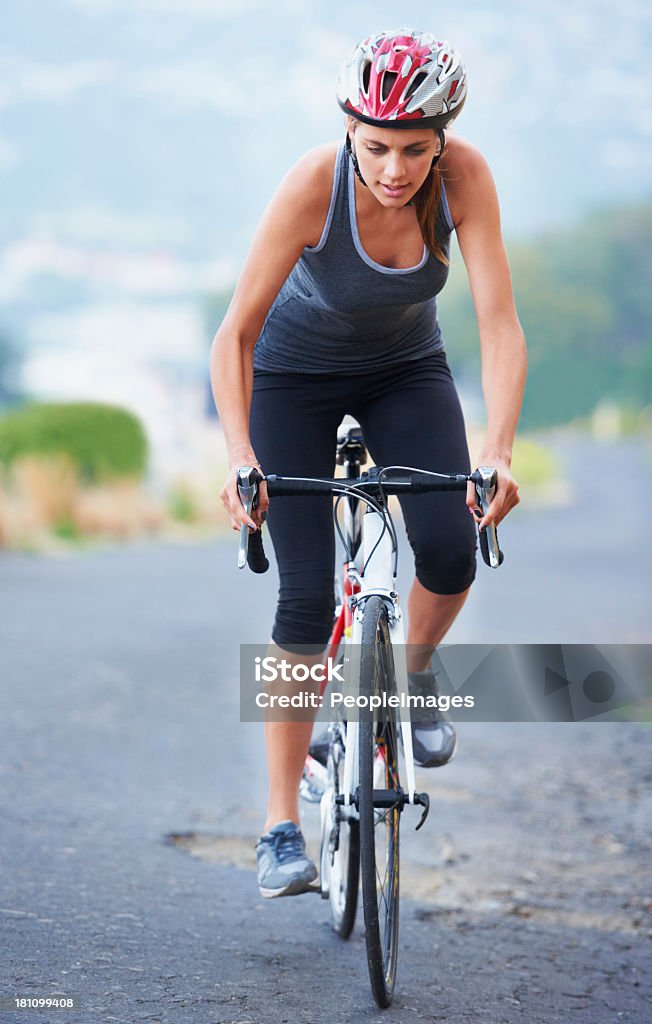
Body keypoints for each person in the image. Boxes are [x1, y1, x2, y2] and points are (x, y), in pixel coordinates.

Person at [211, 29, 526, 899]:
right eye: (377, 147)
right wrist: (240, 455)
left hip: (405, 371)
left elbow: (499, 324)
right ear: (350, 132)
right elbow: (234, 333)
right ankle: (279, 825)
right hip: (291, 379)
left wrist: (496, 448)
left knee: (453, 545)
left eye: (415, 150)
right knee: (306, 594)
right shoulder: (317, 183)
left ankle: (411, 675)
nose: (394, 169)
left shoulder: (464, 179)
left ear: (443, 140)